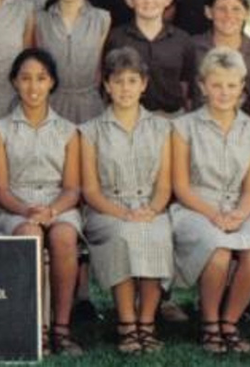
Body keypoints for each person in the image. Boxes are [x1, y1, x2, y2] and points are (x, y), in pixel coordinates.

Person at [170, 48, 250, 355]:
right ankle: (209, 323)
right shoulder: (183, 127)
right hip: (195, 207)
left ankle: (229, 322)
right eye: (216, 84)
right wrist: (213, 215)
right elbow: (181, 186)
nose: (224, 92)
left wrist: (239, 215)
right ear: (203, 86)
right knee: (217, 251)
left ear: (242, 87)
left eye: (232, 85)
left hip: (238, 210)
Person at [0, 49, 83, 355]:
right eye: (25, 78)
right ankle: (36, 326)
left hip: (58, 204)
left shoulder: (68, 131)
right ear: (14, 82)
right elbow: (0, 188)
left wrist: (52, 210)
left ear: (52, 82)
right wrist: (27, 211)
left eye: (41, 78)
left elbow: (72, 188)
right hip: (16, 206)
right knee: (30, 234)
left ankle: (62, 328)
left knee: (64, 236)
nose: (33, 87)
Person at [80, 48, 174, 354]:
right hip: (107, 208)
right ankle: (126, 323)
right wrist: (122, 213)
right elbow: (90, 191)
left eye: (132, 81)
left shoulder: (162, 128)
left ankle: (146, 322)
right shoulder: (90, 131)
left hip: (149, 206)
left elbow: (165, 185)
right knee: (123, 235)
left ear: (143, 84)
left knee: (155, 233)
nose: (125, 88)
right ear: (107, 85)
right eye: (118, 81)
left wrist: (153, 210)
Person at [34, 0, 110, 124]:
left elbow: (99, 69)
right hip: (50, 106)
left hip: (90, 106)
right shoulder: (39, 20)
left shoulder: (102, 19)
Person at [103, 0, 193, 116]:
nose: (148, 0)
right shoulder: (116, 38)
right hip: (128, 117)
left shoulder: (182, 40)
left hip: (171, 118)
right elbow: (107, 80)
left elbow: (186, 84)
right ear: (129, 0)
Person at [186, 0, 250, 116]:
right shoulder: (191, 48)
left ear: (247, 13)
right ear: (208, 12)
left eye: (236, 9)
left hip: (243, 126)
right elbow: (185, 95)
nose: (228, 15)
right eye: (221, 9)